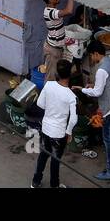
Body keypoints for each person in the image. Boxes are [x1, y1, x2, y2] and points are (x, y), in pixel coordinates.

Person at [79, 38, 110, 180]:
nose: (91, 58)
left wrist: (83, 89)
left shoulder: (101, 70)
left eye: (91, 55)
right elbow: (107, 84)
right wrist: (94, 86)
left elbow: (97, 93)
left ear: (96, 53)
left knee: (109, 139)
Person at [32, 59, 77, 189]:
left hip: (46, 128)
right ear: (69, 75)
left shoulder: (49, 85)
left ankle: (35, 181)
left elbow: (40, 103)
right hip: (59, 133)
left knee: (43, 154)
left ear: (57, 73)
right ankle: (54, 185)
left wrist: (51, 108)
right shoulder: (71, 96)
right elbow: (73, 119)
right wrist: (69, 132)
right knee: (55, 160)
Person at [40, 0, 78, 78]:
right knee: (50, 77)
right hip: (53, 49)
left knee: (57, 74)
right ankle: (48, 92)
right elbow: (68, 11)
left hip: (57, 47)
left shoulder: (53, 11)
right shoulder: (50, 12)